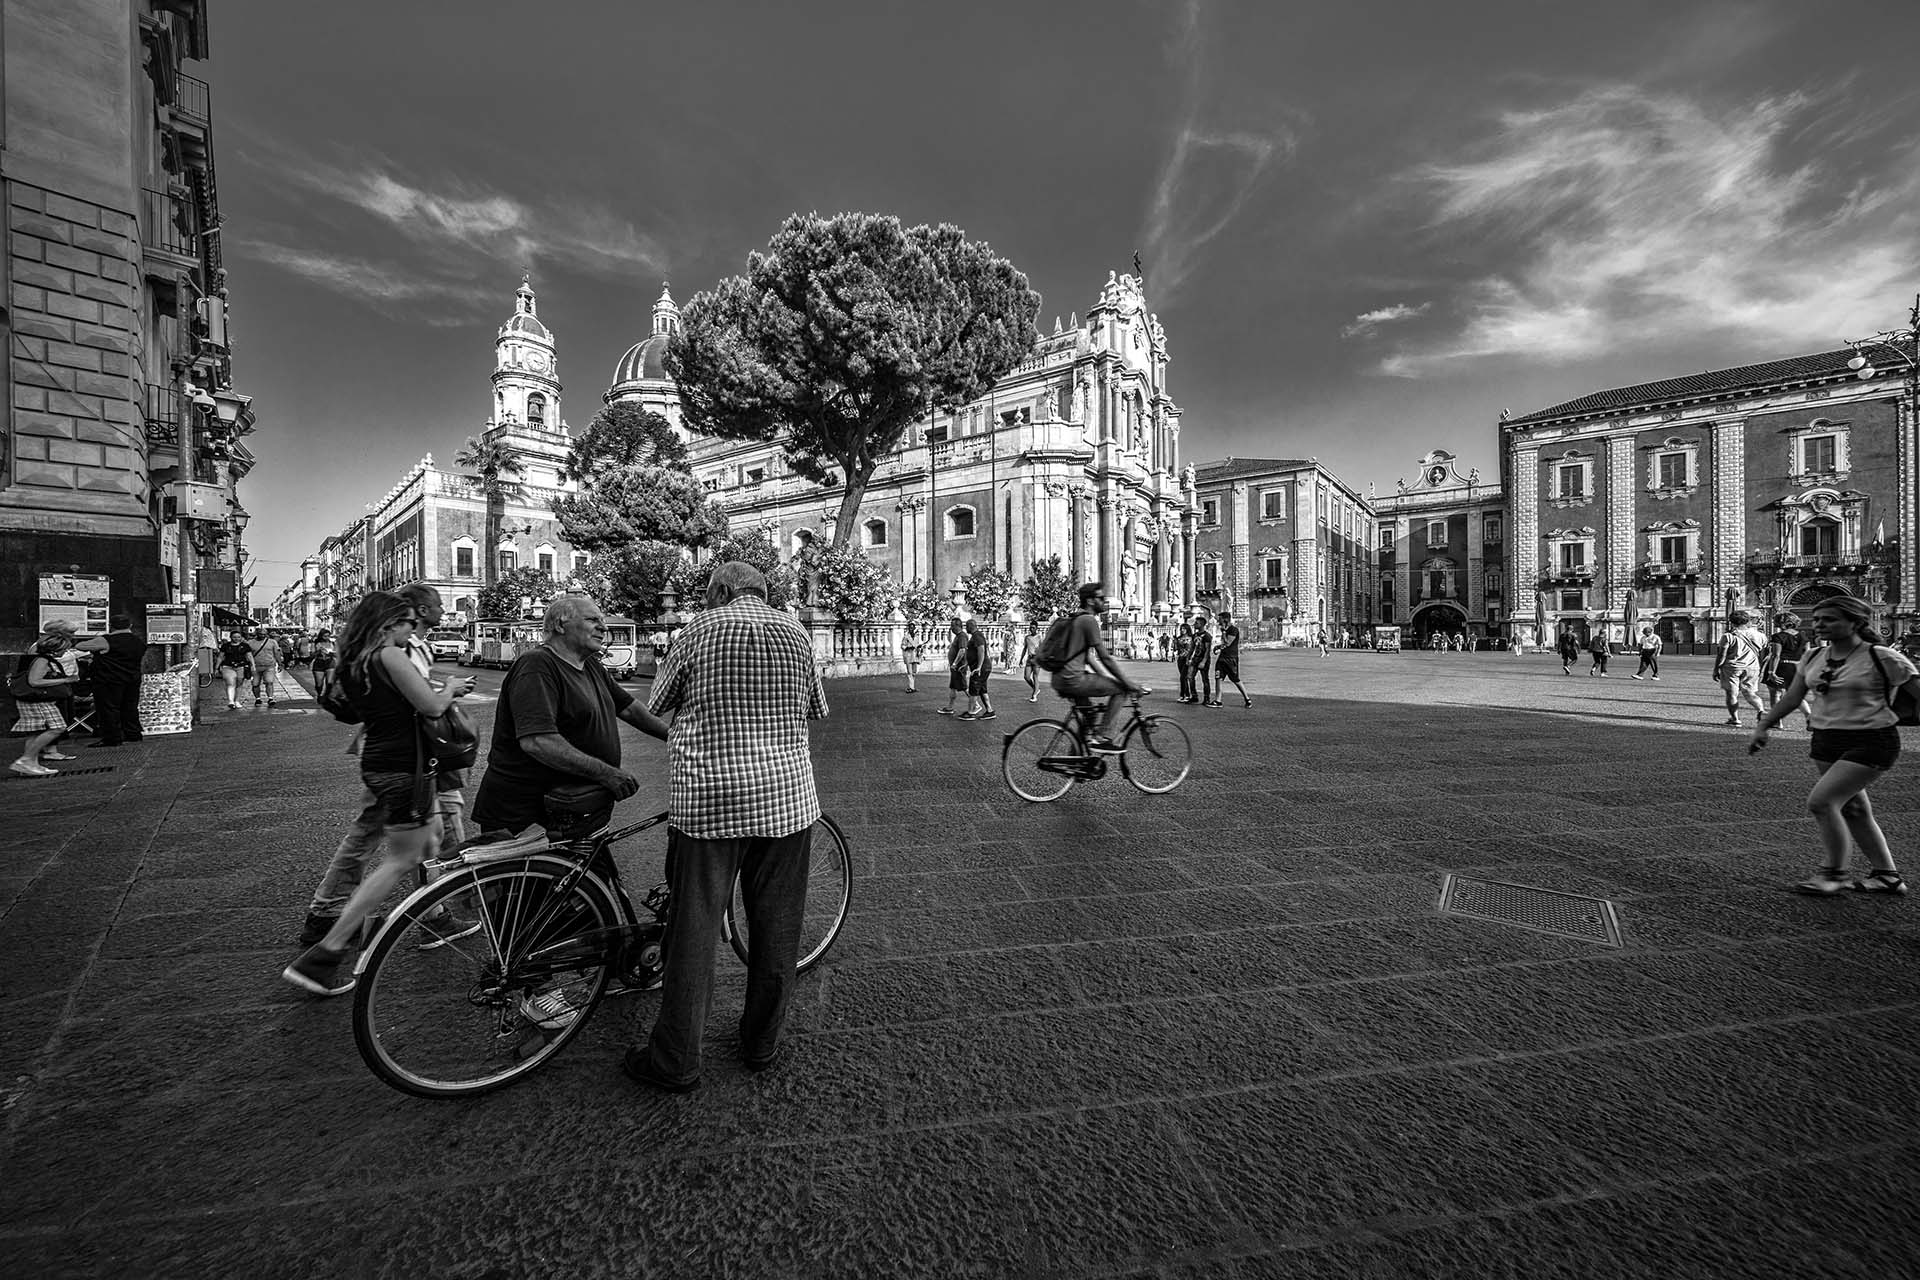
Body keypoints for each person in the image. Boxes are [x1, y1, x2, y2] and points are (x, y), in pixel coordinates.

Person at [624, 562, 829, 1092]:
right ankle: (762, 1043)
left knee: (692, 932)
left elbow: (659, 703)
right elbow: (813, 709)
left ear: (719, 591)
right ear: (764, 591)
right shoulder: (799, 634)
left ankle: (676, 1062)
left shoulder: (695, 631)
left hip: (709, 800)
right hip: (786, 800)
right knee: (778, 930)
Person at [282, 592, 480, 996]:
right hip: (404, 767)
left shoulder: (355, 662)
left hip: (380, 762)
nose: (412, 630)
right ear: (388, 624)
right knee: (402, 858)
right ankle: (327, 952)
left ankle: (431, 916)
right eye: (406, 622)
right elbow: (430, 707)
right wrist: (452, 689)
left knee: (427, 842)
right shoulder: (389, 656)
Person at [468, 595, 669, 840]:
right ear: (561, 625)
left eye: (602, 621)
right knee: (536, 877)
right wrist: (607, 773)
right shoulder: (537, 666)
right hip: (526, 812)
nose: (603, 628)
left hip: (570, 805)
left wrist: (675, 737)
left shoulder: (591, 665)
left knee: (591, 874)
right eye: (593, 620)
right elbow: (538, 741)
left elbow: (628, 708)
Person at [1751, 595, 1911, 896]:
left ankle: (1834, 874)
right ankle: (1887, 875)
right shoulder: (1813, 657)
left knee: (1822, 802)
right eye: (1818, 618)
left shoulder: (1883, 656)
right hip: (1825, 739)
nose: (1820, 624)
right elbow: (1792, 698)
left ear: (1855, 622)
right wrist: (1763, 725)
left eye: (1830, 619)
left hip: (1872, 739)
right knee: (1854, 808)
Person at [1047, 582, 1144, 752]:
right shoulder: (1088, 620)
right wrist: (1127, 683)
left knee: (1089, 717)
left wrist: (1108, 678)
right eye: (1100, 598)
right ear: (1090, 601)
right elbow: (1105, 657)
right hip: (1073, 680)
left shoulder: (1076, 618)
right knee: (1121, 690)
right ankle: (1102, 737)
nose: (1104, 602)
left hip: (1060, 678)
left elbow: (1089, 657)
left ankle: (1076, 765)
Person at [8, 633, 80, 776]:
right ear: (54, 649)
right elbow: (34, 681)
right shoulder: (42, 661)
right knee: (57, 728)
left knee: (36, 732)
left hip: (32, 701)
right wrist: (65, 680)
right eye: (64, 649)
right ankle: (26, 760)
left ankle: (30, 765)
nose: (65, 652)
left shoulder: (41, 659)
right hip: (38, 701)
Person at [73, 615, 144, 747]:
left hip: (109, 680)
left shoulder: (106, 640)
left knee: (108, 709)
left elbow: (80, 646)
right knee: (130, 707)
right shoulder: (138, 641)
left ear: (111, 625)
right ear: (130, 625)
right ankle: (133, 734)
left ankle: (112, 738)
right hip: (132, 679)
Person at [1715, 609, 1768, 728]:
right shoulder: (1760, 635)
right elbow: (1764, 652)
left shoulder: (1728, 636)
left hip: (1732, 667)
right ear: (1748, 621)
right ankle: (1761, 710)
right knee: (1750, 692)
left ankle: (1735, 719)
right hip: (1752, 667)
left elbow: (1722, 654)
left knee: (1732, 694)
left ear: (1732, 622)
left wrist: (1716, 669)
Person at [1762, 614, 1810, 729]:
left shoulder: (1778, 637)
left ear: (1782, 622)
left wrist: (1771, 672)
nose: (1774, 622)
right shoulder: (1804, 636)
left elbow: (1775, 655)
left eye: (1775, 620)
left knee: (1776, 694)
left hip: (1781, 666)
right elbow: (1807, 654)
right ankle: (1809, 716)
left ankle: (1777, 722)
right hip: (1797, 666)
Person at [957, 618, 995, 721]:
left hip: (981, 668)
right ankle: (990, 711)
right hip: (982, 667)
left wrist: (978, 667)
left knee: (974, 689)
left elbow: (981, 650)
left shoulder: (977, 636)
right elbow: (974, 653)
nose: (966, 628)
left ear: (970, 626)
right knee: (982, 689)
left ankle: (971, 712)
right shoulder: (976, 636)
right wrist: (966, 665)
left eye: (966, 626)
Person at [1212, 611, 1251, 708]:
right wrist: (1218, 647)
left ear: (1225, 619)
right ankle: (1218, 700)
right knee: (1218, 678)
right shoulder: (1224, 629)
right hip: (1222, 657)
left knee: (1235, 679)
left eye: (1219, 619)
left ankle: (1247, 698)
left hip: (1231, 658)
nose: (1218, 621)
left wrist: (1224, 632)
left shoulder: (1233, 630)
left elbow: (1228, 643)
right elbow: (1224, 644)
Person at [938, 617, 967, 715]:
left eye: (952, 625)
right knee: (953, 686)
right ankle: (950, 707)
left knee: (963, 686)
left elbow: (962, 650)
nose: (951, 628)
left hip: (959, 666)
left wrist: (955, 663)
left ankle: (975, 704)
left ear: (957, 626)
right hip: (955, 667)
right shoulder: (958, 636)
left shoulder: (962, 636)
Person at [247, 626, 281, 707]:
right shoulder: (250, 643)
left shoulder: (272, 642)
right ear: (257, 634)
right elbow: (247, 654)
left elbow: (276, 653)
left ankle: (270, 698)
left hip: (269, 665)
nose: (262, 636)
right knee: (255, 684)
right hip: (255, 666)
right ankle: (258, 699)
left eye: (264, 634)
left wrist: (280, 663)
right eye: (260, 634)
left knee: (269, 682)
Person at [1190, 614, 1215, 709]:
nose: (1194, 624)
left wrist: (1203, 661)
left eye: (1196, 623)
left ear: (1202, 624)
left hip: (1203, 659)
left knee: (1205, 679)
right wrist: (1189, 657)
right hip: (1195, 659)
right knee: (1190, 677)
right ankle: (1194, 696)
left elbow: (1208, 650)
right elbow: (1192, 647)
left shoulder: (1207, 636)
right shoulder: (1195, 635)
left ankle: (1206, 698)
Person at [309, 629, 337, 699]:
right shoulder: (316, 643)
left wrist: (332, 653)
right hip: (319, 663)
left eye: (328, 636)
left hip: (330, 662)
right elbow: (312, 655)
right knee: (319, 684)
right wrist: (319, 651)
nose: (327, 638)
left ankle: (327, 697)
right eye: (325, 636)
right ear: (321, 636)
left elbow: (337, 653)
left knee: (329, 682)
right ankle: (319, 694)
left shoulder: (332, 643)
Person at [1173, 622, 1196, 703]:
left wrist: (1190, 658)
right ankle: (1184, 695)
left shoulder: (1191, 638)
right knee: (1183, 678)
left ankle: (1186, 695)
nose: (1182, 630)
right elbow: (1176, 649)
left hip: (1187, 658)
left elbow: (1192, 649)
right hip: (1180, 658)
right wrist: (1175, 641)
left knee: (1183, 677)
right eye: (1181, 629)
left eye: (1184, 629)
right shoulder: (1179, 638)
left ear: (1187, 629)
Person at [1019, 622, 1041, 702]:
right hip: (1029, 658)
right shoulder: (1027, 637)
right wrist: (1021, 659)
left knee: (1035, 677)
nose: (1031, 629)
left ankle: (1034, 696)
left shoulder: (1039, 637)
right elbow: (1025, 648)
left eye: (1033, 628)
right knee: (1026, 677)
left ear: (1036, 628)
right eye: (1030, 627)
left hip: (1037, 659)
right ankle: (1036, 689)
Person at [900, 626, 923, 693]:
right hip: (908, 655)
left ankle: (912, 686)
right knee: (910, 672)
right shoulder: (906, 637)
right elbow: (902, 646)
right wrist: (908, 647)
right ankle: (911, 687)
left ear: (914, 629)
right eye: (910, 628)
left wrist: (919, 647)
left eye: (912, 628)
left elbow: (918, 645)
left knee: (914, 672)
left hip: (915, 656)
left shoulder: (917, 637)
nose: (911, 629)